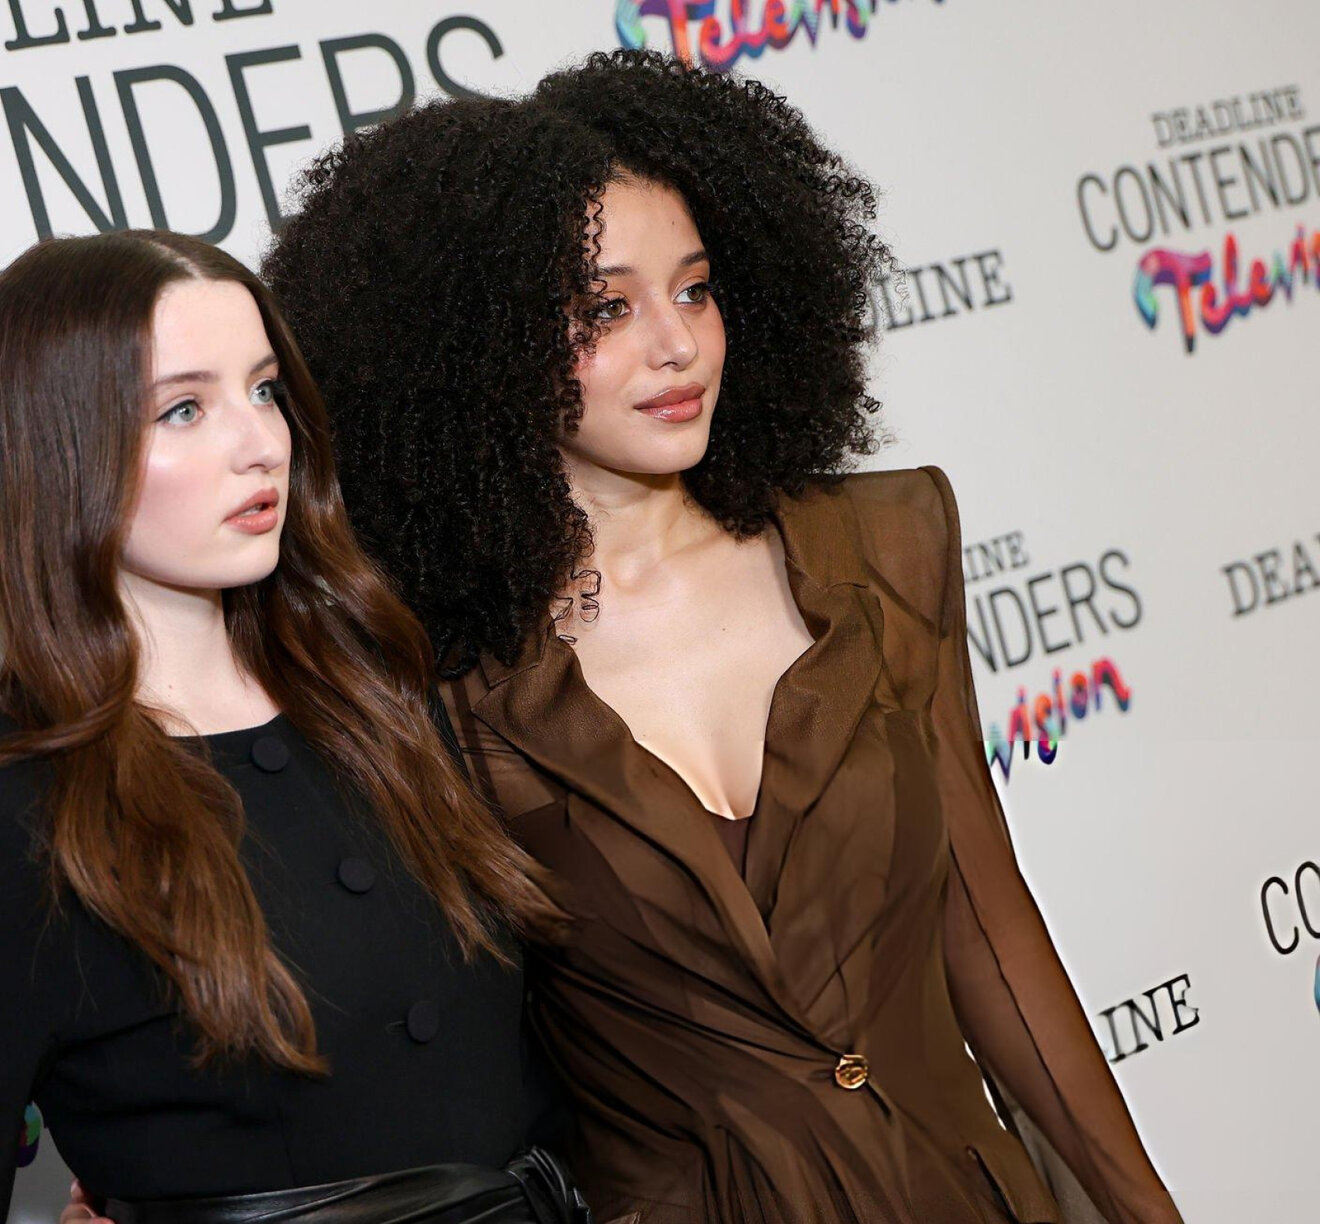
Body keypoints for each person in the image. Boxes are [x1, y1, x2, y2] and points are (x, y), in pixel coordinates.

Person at [258, 51, 1184, 1224]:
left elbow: (988, 932)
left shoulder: (884, 547)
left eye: (696, 290)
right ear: (477, 343)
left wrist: (1144, 1210)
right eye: (606, 309)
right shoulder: (438, 671)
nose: (679, 345)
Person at [0, 229, 586, 1224]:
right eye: (183, 409)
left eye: (265, 391)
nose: (260, 443)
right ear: (62, 452)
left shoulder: (387, 701)